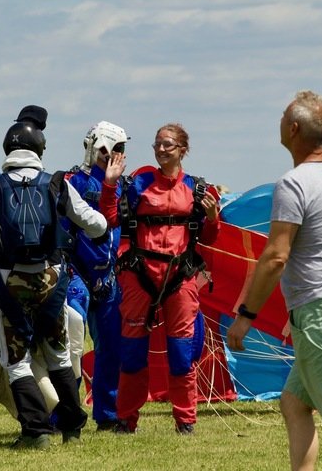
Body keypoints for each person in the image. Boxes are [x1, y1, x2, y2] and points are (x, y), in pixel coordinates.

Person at [226, 91, 322, 471]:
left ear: (293, 129)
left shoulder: (293, 184)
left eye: (282, 117)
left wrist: (246, 315)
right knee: (294, 402)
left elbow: (276, 256)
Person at [0, 106, 108, 449]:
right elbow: (96, 224)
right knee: (59, 356)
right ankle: (73, 425)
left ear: (7, 151)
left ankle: (36, 432)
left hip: (8, 282)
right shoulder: (56, 184)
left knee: (17, 361)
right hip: (52, 280)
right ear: (40, 150)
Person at [100, 123, 220, 434]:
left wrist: (211, 218)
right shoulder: (138, 183)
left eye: (168, 144)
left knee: (181, 354)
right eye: (157, 144)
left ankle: (185, 422)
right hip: (139, 275)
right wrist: (110, 185)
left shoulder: (197, 189)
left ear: (183, 150)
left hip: (180, 278)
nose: (161, 149)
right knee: (132, 353)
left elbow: (209, 236)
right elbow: (111, 218)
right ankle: (126, 419)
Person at [61, 121, 129, 431]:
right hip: (76, 275)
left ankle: (108, 414)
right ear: (94, 148)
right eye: (108, 150)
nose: (113, 156)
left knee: (111, 348)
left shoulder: (122, 188)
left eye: (119, 150)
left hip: (108, 279)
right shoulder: (72, 183)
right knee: (70, 347)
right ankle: (64, 414)